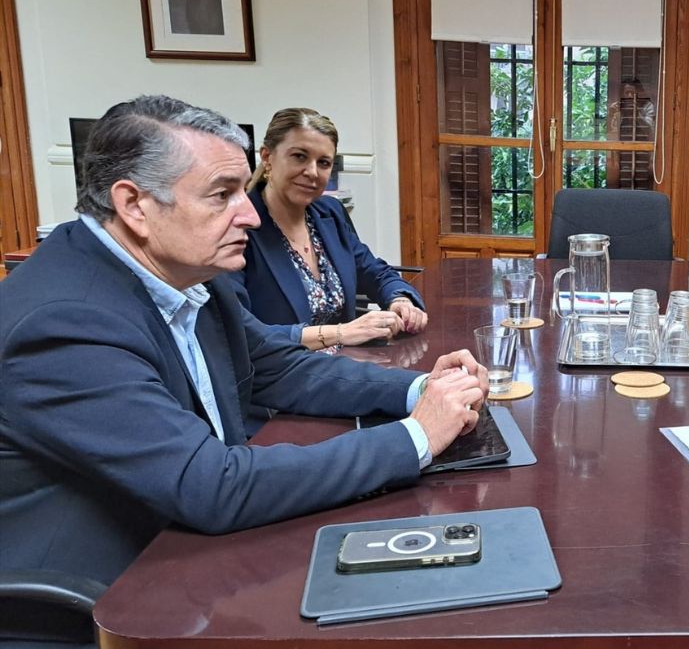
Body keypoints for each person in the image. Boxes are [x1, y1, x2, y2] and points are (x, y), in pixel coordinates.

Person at [0, 95, 486, 593]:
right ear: (134, 205)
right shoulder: (66, 322)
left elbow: (281, 368)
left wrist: (423, 388)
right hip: (115, 591)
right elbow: (211, 485)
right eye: (222, 195)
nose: (249, 216)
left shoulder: (189, 271)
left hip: (191, 544)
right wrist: (418, 436)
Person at [227, 107, 428, 349]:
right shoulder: (239, 226)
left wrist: (400, 300)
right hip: (282, 374)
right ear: (267, 157)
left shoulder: (329, 213)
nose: (312, 172)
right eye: (299, 156)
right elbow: (239, 331)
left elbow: (375, 272)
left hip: (347, 367)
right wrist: (340, 333)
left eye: (323, 163)